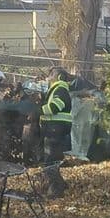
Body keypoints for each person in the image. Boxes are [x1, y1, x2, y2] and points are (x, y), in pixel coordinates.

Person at [39, 67, 72, 196]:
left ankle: (56, 191)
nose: (48, 78)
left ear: (58, 77)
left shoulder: (60, 90)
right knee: (52, 160)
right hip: (53, 130)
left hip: (55, 130)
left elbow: (54, 107)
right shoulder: (56, 90)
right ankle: (61, 185)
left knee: (50, 162)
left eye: (51, 75)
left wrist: (38, 109)